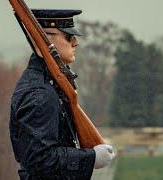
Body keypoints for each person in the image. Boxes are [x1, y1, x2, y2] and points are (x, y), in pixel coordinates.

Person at [9, 9, 115, 180]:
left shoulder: (50, 85)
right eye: (68, 36)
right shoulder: (40, 93)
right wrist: (90, 157)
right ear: (46, 39)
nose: (75, 42)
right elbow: (40, 160)